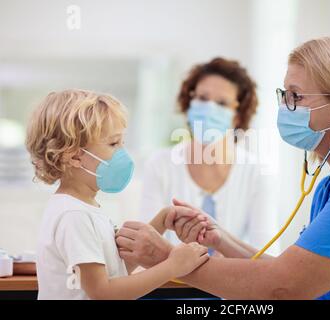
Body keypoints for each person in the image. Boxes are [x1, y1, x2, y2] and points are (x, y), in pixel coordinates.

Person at [117, 37, 330, 300]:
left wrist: (165, 259)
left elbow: (284, 289)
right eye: (284, 94)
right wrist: (222, 239)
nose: (285, 108)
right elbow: (295, 275)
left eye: (297, 97)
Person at [26, 89, 208, 300]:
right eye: (113, 143)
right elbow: (104, 292)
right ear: (75, 156)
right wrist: (173, 267)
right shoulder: (74, 216)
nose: (122, 152)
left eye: (122, 142)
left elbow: (115, 272)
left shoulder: (84, 208)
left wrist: (161, 222)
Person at [140, 57, 279, 254]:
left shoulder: (256, 173)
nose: (209, 109)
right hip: (170, 284)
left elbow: (266, 254)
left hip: (234, 284)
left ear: (237, 116)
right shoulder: (160, 165)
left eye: (222, 103)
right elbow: (147, 247)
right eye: (203, 99)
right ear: (189, 103)